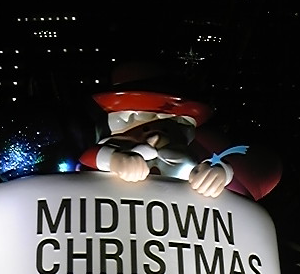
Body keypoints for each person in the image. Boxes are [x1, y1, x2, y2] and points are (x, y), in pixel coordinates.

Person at [79, 60, 282, 201]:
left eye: (166, 126)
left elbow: (258, 171)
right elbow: (89, 157)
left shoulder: (200, 145)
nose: (155, 136)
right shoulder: (114, 146)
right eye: (144, 125)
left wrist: (221, 173)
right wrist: (115, 159)